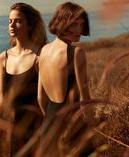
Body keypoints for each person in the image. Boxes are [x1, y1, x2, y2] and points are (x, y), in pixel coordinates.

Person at [0, 2, 47, 156]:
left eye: (18, 21)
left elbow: (44, 99)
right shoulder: (4, 57)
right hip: (13, 129)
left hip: (36, 129)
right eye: (10, 21)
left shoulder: (39, 57)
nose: (12, 25)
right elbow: (1, 98)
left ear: (30, 26)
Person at [37, 2, 92, 156]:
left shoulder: (44, 51)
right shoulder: (76, 52)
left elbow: (41, 98)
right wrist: (92, 128)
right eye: (73, 24)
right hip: (73, 129)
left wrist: (51, 123)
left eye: (81, 24)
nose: (78, 30)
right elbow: (84, 98)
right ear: (62, 22)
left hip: (48, 129)